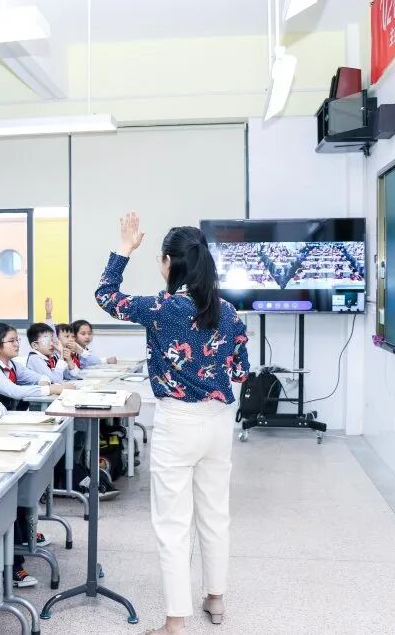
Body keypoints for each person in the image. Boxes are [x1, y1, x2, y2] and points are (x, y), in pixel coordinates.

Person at [95, 213, 249, 634]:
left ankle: (176, 621)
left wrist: (124, 249)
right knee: (215, 513)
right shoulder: (228, 311)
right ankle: (215, 598)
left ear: (168, 262)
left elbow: (106, 295)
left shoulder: (161, 308)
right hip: (218, 423)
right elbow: (241, 371)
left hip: (177, 422)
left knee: (172, 523)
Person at [0, 323, 69, 411]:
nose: (17, 344)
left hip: (10, 416)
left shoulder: (12, 364)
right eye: (11, 341)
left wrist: (44, 383)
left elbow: (40, 377)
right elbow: (15, 391)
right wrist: (52, 389)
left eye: (17, 340)